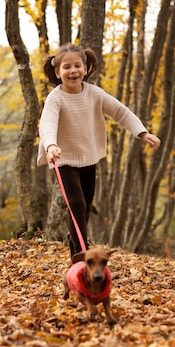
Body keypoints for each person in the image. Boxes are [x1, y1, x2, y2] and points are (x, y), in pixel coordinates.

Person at [37, 43, 161, 261]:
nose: (72, 71)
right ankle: (85, 258)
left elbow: (121, 112)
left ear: (85, 68)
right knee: (77, 204)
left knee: (84, 208)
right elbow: (47, 124)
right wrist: (50, 145)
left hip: (88, 158)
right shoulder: (55, 98)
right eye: (66, 67)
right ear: (58, 73)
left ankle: (75, 251)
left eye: (77, 66)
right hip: (62, 159)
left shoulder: (94, 93)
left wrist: (142, 133)